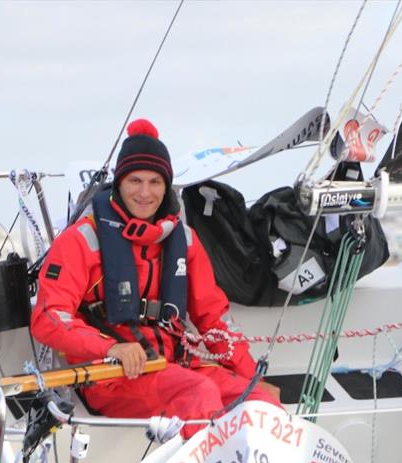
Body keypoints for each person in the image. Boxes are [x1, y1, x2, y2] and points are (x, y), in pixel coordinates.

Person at [30, 119, 280, 437]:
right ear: (119, 183)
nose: (145, 193)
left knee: (262, 403)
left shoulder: (184, 240)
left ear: (166, 186)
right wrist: (111, 349)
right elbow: (49, 317)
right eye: (135, 181)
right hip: (113, 376)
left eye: (155, 182)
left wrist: (251, 377)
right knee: (198, 393)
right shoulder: (81, 241)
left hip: (176, 365)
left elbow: (214, 318)